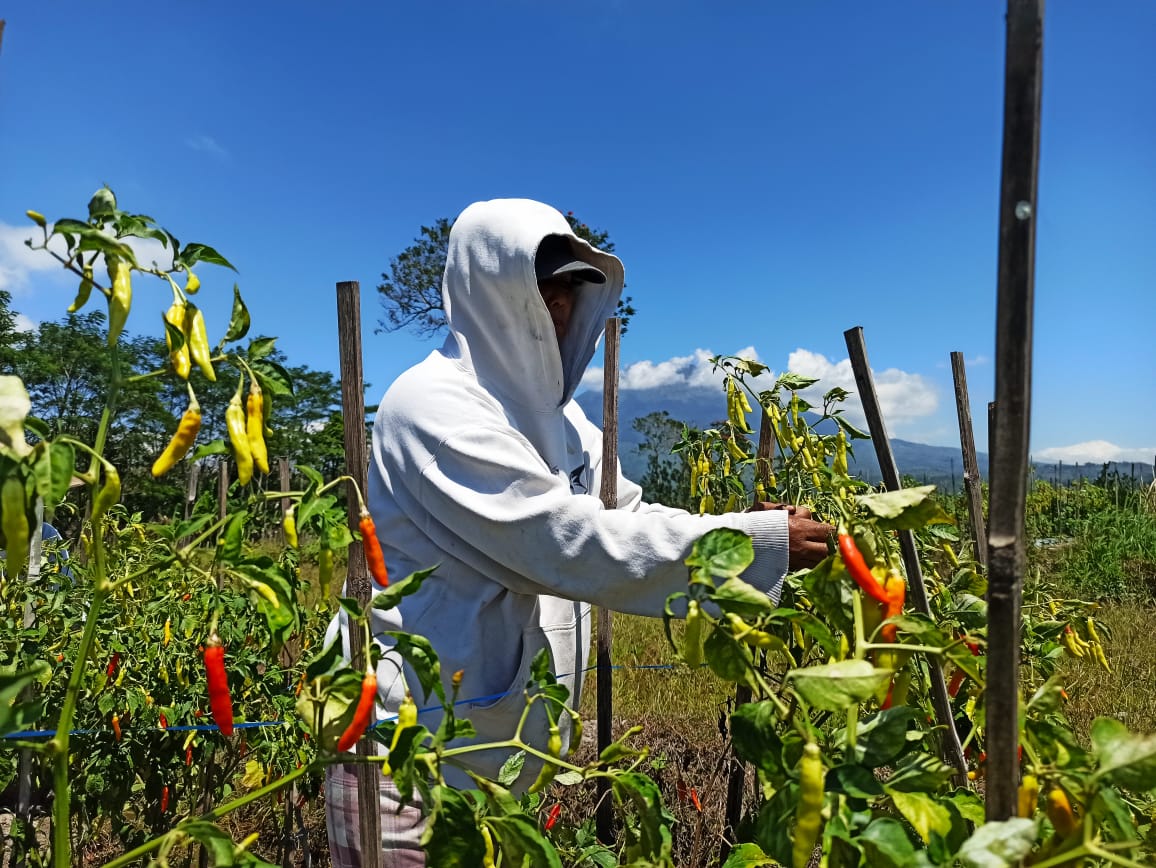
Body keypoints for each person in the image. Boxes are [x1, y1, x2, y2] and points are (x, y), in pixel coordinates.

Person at [325, 198, 833, 866]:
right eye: (542, 286)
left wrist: (744, 532)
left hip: (493, 762)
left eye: (570, 287)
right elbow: (559, 540)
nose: (560, 304)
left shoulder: (564, 425)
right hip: (408, 768)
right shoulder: (432, 405)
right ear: (488, 291)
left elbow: (627, 516)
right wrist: (750, 545)